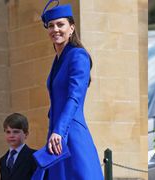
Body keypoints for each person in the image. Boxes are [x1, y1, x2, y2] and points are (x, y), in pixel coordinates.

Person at [36, 0, 103, 179]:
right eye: (50, 26)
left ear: (71, 28)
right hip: (57, 134)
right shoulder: (58, 60)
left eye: (60, 24)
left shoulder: (78, 55)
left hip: (71, 133)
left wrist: (59, 130)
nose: (55, 29)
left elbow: (74, 97)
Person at [0, 113, 37, 180]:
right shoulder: (3, 160)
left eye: (15, 132)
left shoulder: (34, 156)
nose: (11, 135)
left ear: (26, 134)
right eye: (8, 132)